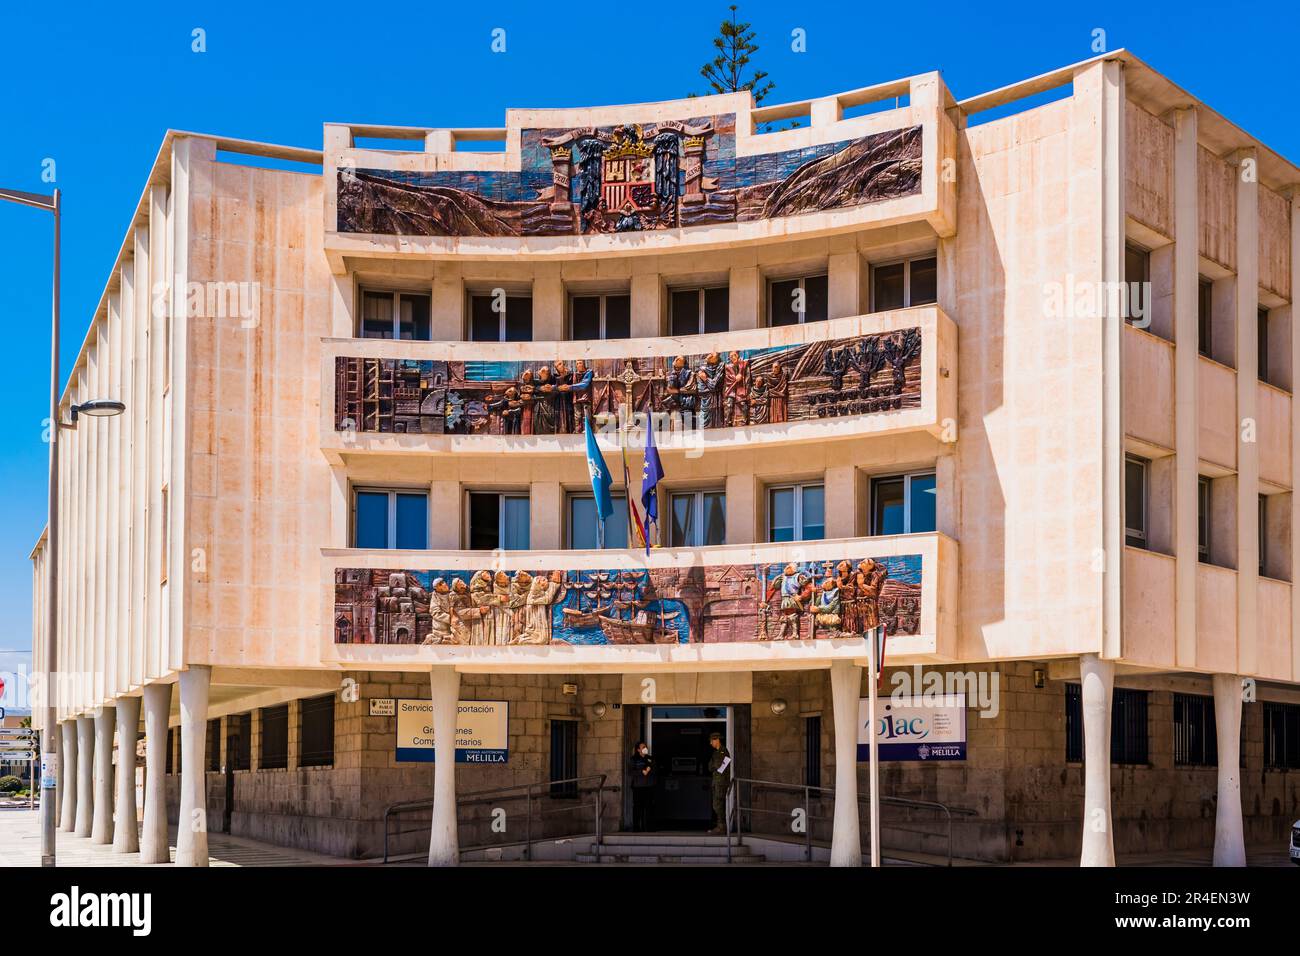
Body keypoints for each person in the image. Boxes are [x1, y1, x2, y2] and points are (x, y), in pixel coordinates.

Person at [707, 732, 732, 834]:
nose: (710, 743)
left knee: (718, 804)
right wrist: (714, 765)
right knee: (716, 804)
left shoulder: (723, 752)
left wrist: (714, 765)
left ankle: (721, 827)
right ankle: (721, 826)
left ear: (717, 740)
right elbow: (710, 767)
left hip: (721, 783)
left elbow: (716, 766)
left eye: (711, 740)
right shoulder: (715, 753)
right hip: (716, 782)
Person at [628, 741, 656, 831]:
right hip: (638, 787)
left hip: (649, 786)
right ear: (638, 749)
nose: (645, 748)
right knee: (637, 807)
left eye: (646, 747)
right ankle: (636, 827)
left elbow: (655, 770)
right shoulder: (634, 759)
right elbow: (630, 772)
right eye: (643, 747)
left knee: (649, 807)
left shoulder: (650, 758)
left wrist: (649, 771)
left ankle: (650, 827)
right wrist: (641, 772)